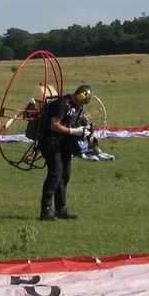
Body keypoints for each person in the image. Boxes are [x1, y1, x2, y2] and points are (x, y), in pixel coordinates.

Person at [38, 84, 92, 221]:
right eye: (81, 102)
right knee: (55, 172)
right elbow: (54, 125)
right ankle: (46, 210)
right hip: (50, 142)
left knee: (65, 175)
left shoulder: (78, 107)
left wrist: (83, 125)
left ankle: (61, 209)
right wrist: (73, 131)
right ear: (79, 96)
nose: (82, 105)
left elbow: (72, 122)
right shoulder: (62, 104)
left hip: (64, 144)